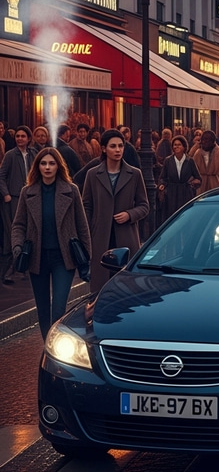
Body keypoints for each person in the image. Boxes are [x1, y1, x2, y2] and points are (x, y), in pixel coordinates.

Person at [11, 148, 91, 339]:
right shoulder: (27, 192)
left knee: (58, 309)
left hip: (63, 258)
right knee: (43, 309)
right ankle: (48, 347)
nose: (47, 167)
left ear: (58, 166)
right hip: (36, 257)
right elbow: (18, 225)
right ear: (37, 166)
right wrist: (17, 248)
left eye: (51, 163)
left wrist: (86, 258)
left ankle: (57, 345)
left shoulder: (71, 191)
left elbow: (82, 226)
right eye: (43, 163)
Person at [82, 129, 149, 294]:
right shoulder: (92, 174)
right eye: (113, 146)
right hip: (100, 238)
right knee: (100, 289)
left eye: (121, 146)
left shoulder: (134, 174)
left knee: (126, 288)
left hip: (126, 237)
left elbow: (144, 206)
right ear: (104, 149)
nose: (118, 150)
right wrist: (90, 230)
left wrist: (129, 214)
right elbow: (86, 206)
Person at [0, 125, 35, 284]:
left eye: (23, 136)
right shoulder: (10, 155)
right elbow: (1, 176)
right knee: (12, 232)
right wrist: (6, 194)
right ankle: (7, 272)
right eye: (18, 136)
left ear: (28, 138)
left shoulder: (33, 154)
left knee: (30, 231)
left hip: (30, 198)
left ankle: (23, 267)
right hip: (13, 199)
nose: (20, 138)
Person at [157, 134, 201, 224]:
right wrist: (162, 185)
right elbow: (162, 177)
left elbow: (198, 178)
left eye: (179, 145)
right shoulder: (168, 161)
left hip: (185, 193)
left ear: (184, 147)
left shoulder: (190, 161)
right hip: (171, 194)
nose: (176, 147)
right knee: (172, 219)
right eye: (174, 145)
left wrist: (192, 185)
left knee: (185, 219)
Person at [193, 130, 219, 195]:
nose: (205, 142)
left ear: (213, 142)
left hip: (215, 188)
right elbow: (191, 172)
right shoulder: (197, 154)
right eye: (203, 139)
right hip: (200, 189)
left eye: (208, 140)